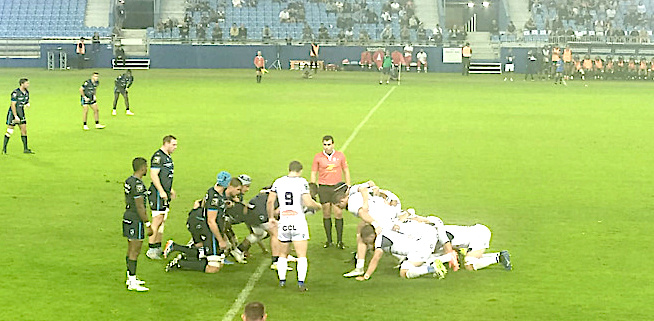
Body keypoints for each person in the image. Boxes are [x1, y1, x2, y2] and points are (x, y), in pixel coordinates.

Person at [165, 173, 243, 273]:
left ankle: (180, 252)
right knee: (213, 268)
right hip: (211, 232)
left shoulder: (214, 191)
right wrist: (220, 240)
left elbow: (200, 204)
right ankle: (180, 263)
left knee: (208, 254)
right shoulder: (215, 199)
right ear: (228, 184)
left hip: (207, 228)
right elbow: (211, 221)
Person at [267, 161, 321, 291]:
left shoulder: (278, 182)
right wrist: (318, 206)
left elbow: (270, 201)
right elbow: (308, 202)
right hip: (298, 221)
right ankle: (301, 283)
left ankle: (282, 281)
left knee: (282, 254)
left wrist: (271, 217)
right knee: (301, 254)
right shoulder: (302, 182)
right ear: (300, 170)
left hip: (284, 220)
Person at [356, 224, 447, 280]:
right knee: (416, 263)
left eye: (366, 240)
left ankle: (433, 268)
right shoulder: (383, 230)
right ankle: (447, 258)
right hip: (420, 243)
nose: (366, 243)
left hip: (418, 250)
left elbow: (376, 258)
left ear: (371, 236)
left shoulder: (379, 240)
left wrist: (366, 276)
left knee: (404, 272)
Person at [310, 135, 350, 249]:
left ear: (333, 144)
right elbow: (314, 172)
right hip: (324, 188)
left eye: (329, 144)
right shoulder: (318, 157)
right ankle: (329, 240)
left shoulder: (340, 156)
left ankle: (340, 241)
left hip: (337, 188)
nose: (327, 147)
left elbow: (346, 170)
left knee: (338, 213)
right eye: (325, 145)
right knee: (326, 213)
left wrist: (348, 185)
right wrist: (313, 188)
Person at [123, 157, 153, 291]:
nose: (147, 169)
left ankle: (130, 278)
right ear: (142, 168)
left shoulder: (129, 181)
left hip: (127, 216)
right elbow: (140, 206)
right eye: (146, 166)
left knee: (131, 249)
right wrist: (147, 223)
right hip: (136, 220)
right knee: (135, 250)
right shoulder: (139, 185)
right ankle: (132, 281)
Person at [146, 135, 178, 259]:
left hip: (164, 193)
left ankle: (157, 246)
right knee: (157, 219)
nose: (175, 147)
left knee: (162, 219)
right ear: (166, 143)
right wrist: (161, 191)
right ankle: (151, 248)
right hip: (157, 194)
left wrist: (170, 190)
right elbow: (153, 175)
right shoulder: (158, 157)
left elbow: (165, 176)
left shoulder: (167, 157)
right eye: (173, 144)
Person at [3, 78, 33, 154]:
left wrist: (27, 104)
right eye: (26, 83)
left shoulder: (26, 92)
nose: (28, 85)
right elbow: (13, 105)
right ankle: (4, 149)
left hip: (21, 113)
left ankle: (25, 149)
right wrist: (15, 116)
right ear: (22, 84)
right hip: (13, 114)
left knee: (24, 130)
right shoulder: (15, 93)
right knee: (10, 131)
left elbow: (26, 101)